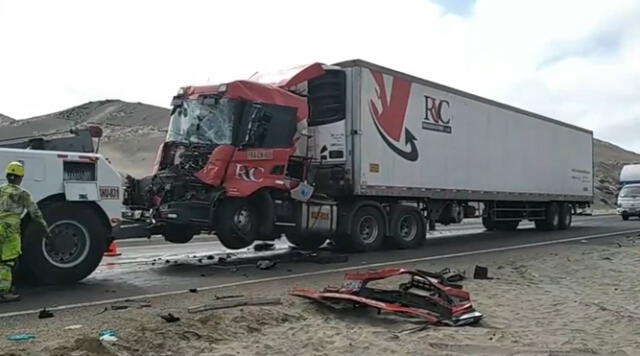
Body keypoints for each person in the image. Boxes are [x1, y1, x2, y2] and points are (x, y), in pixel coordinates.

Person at [0, 161, 50, 302]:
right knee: (7, 261)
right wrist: (45, 229)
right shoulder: (22, 194)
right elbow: (35, 213)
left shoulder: (0, 189)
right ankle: (4, 292)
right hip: (10, 231)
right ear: (20, 178)